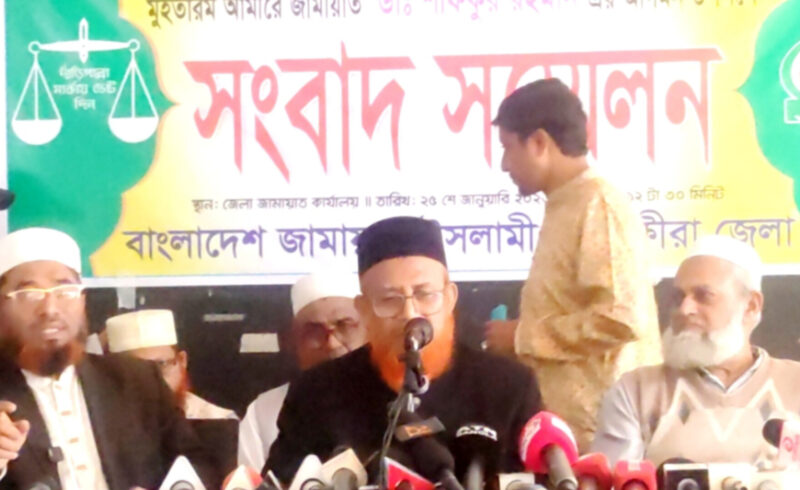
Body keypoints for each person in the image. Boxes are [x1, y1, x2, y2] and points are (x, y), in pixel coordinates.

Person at [265, 216, 542, 483]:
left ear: (449, 299)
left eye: (424, 295)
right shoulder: (315, 393)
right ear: (363, 309)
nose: (410, 313)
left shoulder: (509, 387)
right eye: (390, 299)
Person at [484, 78, 662, 451]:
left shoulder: (598, 204)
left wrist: (522, 337)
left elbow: (622, 317)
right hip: (565, 438)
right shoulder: (569, 201)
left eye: (507, 148)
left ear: (539, 142)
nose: (504, 164)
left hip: (603, 440)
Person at [0, 227, 218, 489]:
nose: (50, 309)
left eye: (65, 291)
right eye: (29, 294)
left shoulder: (136, 380)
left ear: (82, 301)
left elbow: (196, 464)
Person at [591, 235, 800, 467]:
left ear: (751, 306)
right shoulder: (636, 392)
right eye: (678, 297)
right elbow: (616, 479)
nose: (685, 309)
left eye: (704, 296)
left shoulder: (795, 384)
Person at [238, 270, 365, 470]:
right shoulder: (263, 411)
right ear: (294, 340)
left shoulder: (396, 400)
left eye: (344, 326)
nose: (331, 343)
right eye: (314, 331)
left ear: (369, 330)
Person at [105, 309, 237, 420]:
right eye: (137, 369)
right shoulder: (99, 425)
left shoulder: (218, 420)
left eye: (161, 365)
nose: (153, 380)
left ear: (182, 361)